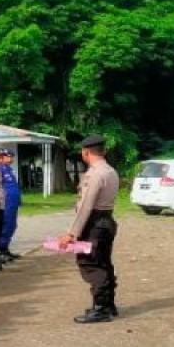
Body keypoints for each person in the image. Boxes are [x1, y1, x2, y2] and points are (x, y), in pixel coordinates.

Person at [57, 135, 120, 323]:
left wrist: (71, 233)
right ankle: (108, 304)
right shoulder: (110, 171)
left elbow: (86, 206)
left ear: (85, 153)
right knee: (103, 263)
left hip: (94, 224)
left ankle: (101, 308)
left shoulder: (94, 174)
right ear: (104, 151)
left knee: (91, 264)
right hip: (106, 221)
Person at [0, 148, 22, 260]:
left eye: (11, 156)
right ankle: (0, 250)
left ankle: (5, 248)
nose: (10, 159)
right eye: (7, 156)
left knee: (12, 225)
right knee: (5, 226)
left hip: (13, 202)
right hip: (6, 202)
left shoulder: (9, 169)